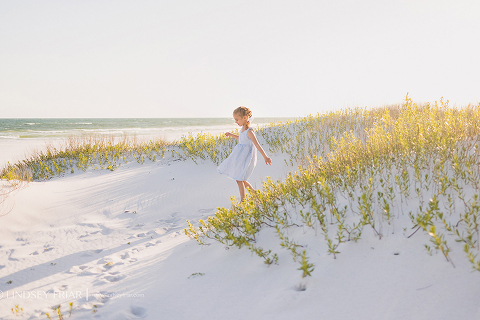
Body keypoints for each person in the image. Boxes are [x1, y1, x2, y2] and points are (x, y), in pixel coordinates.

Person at [217, 106, 272, 202]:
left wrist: (265, 157)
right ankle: (254, 194)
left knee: (239, 179)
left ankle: (243, 201)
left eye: (237, 119)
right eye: (235, 120)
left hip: (246, 158)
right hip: (239, 157)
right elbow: (241, 139)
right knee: (240, 179)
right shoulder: (242, 129)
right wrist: (231, 135)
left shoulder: (250, 131)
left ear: (245, 118)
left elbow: (257, 145)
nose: (236, 122)